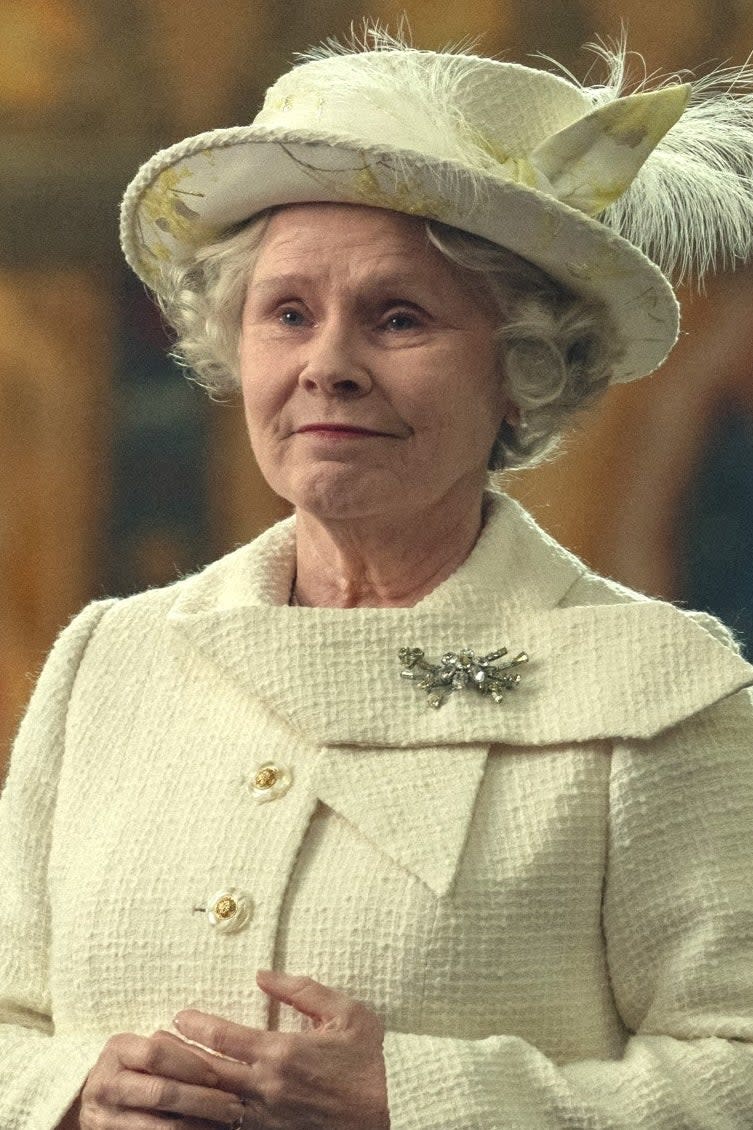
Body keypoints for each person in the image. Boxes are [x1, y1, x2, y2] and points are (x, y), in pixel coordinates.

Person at [2, 29, 753, 1130]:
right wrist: (67, 1092)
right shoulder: (106, 659)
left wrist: (426, 1099)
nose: (329, 363)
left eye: (399, 316)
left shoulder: (658, 688)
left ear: (523, 367)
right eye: (288, 313)